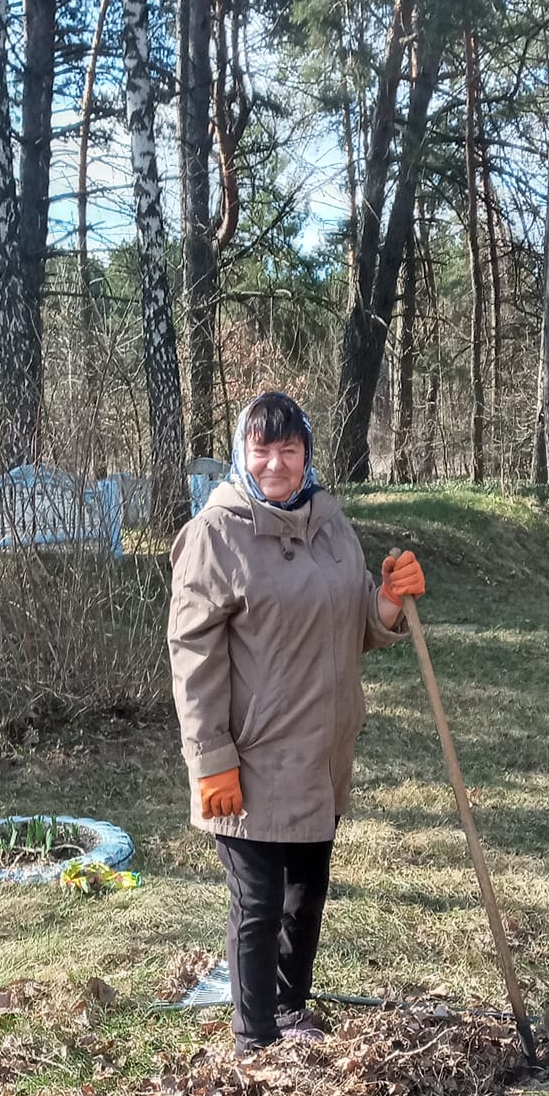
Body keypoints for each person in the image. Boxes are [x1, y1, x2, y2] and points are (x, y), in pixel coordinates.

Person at [168, 390, 426, 1058]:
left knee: (304, 898)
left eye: (289, 448)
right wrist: (210, 758)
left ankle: (289, 1011)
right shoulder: (215, 536)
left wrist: (389, 602)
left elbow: (354, 628)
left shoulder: (330, 525)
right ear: (240, 454)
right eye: (262, 449)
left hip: (321, 753)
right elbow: (192, 660)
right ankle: (254, 1043)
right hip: (251, 758)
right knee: (257, 907)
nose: (276, 463)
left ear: (307, 454)